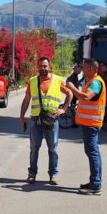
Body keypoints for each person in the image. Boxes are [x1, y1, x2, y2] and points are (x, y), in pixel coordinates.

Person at [19, 57, 73, 185]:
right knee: (34, 149)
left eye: (45, 66)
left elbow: (70, 93)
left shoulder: (58, 80)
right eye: (40, 66)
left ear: (49, 66)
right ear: (37, 67)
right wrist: (22, 116)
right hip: (35, 120)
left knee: (53, 149)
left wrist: (64, 109)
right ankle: (32, 174)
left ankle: (53, 174)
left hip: (51, 119)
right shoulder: (32, 81)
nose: (43, 68)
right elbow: (27, 99)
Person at [65, 58, 105, 195]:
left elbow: (86, 97)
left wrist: (72, 87)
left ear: (91, 69)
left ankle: (95, 184)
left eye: (84, 68)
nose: (82, 70)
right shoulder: (91, 81)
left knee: (92, 152)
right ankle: (95, 181)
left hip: (91, 124)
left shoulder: (95, 83)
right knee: (93, 152)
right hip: (90, 123)